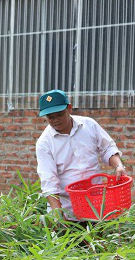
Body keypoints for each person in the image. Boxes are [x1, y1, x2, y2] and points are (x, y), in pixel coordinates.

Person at [35, 90, 127, 220]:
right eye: (50, 117)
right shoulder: (44, 143)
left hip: (97, 206)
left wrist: (118, 166)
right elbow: (49, 180)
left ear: (69, 108)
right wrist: (58, 214)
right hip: (68, 210)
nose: (55, 120)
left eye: (59, 114)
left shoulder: (89, 125)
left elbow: (107, 148)